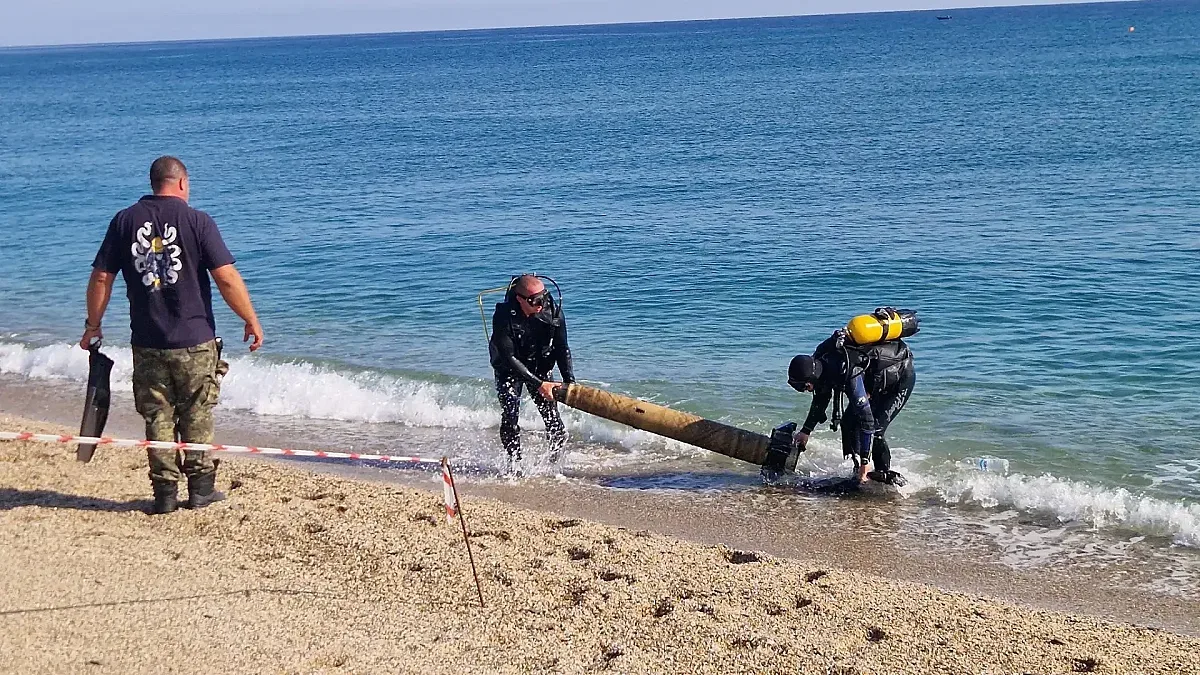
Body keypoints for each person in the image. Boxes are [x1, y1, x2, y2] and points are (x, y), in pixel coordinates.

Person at [80, 156, 264, 514]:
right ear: (182, 183)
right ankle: (200, 490)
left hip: (148, 341)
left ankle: (164, 495)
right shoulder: (197, 221)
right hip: (195, 340)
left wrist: (93, 325)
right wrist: (250, 318)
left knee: (157, 416)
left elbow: (102, 277)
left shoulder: (124, 221)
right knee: (197, 413)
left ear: (154, 183)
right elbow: (225, 276)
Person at [788, 329, 915, 486]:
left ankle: (885, 478)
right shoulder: (821, 363)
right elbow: (820, 401)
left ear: (809, 380)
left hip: (899, 379)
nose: (806, 390)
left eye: (805, 387)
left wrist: (865, 462)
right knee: (848, 422)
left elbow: (867, 421)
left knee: (876, 431)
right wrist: (805, 431)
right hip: (872, 382)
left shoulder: (847, 373)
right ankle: (858, 472)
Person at [489, 274, 575, 473]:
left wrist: (569, 381)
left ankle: (555, 465)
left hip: (540, 365)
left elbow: (562, 349)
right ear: (520, 299)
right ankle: (515, 464)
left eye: (543, 297)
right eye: (534, 300)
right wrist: (539, 384)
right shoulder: (503, 317)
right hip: (509, 368)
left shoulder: (553, 313)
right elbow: (508, 357)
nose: (540, 304)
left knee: (553, 419)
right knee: (510, 416)